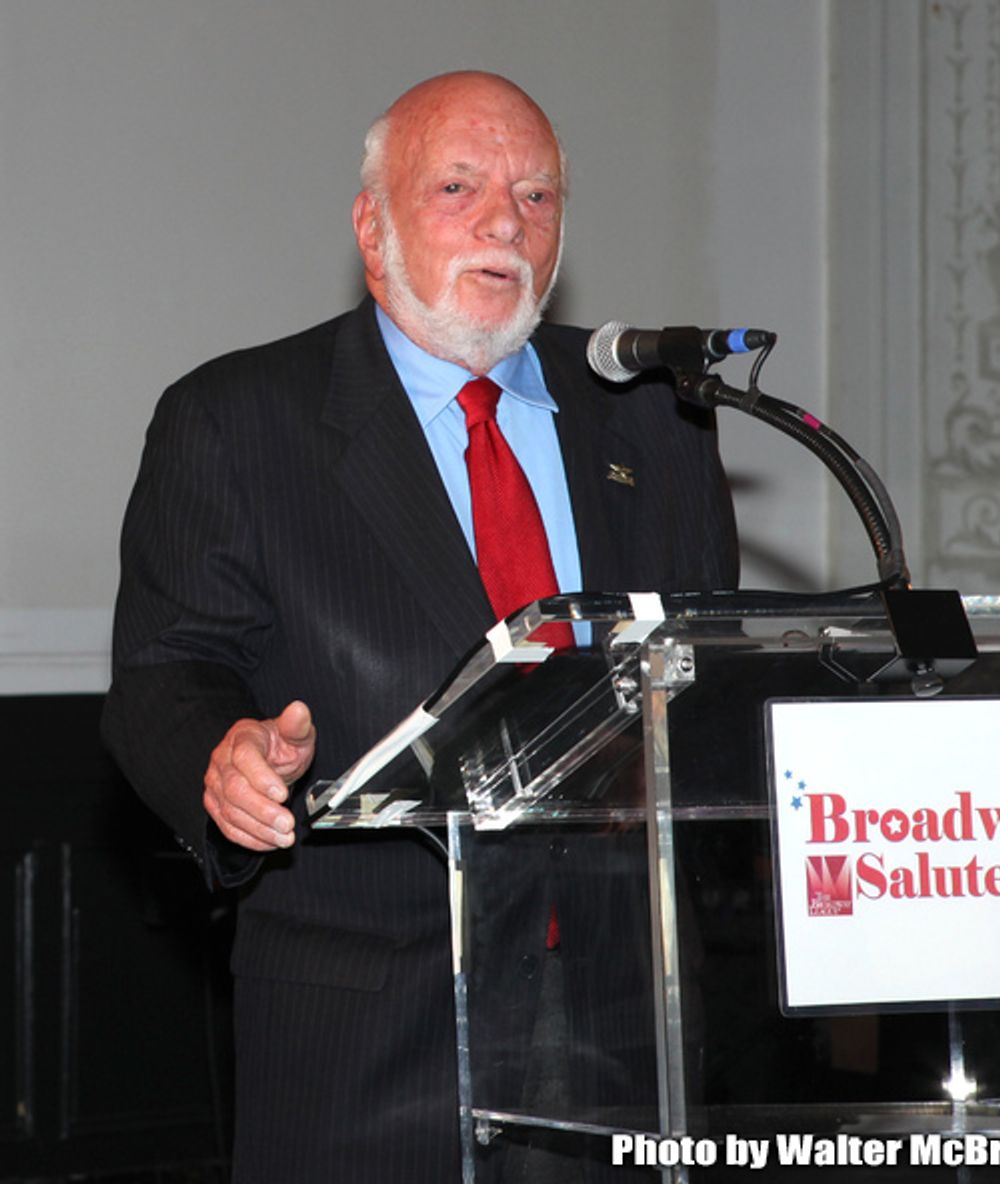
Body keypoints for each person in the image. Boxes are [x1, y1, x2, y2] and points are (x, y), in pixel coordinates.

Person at [102, 70, 738, 1183]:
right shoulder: (238, 422)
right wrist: (222, 754)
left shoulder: (656, 419)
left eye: (536, 197)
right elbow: (169, 667)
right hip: (363, 1041)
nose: (505, 219)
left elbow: (711, 674)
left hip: (622, 1030)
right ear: (372, 225)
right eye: (459, 187)